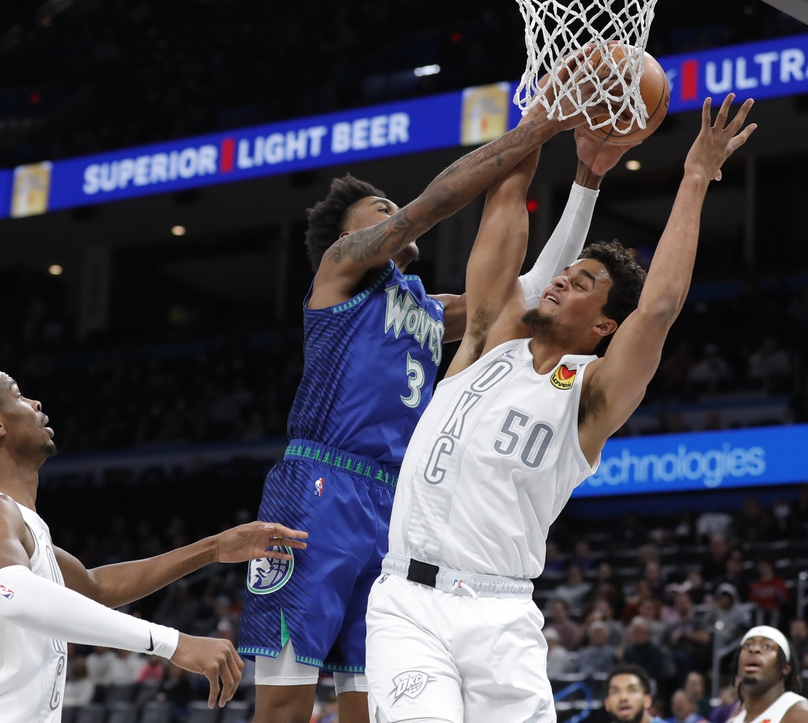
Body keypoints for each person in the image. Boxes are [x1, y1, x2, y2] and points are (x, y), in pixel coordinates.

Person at [237, 76, 629, 723]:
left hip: (396, 508)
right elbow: (434, 203)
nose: (393, 212)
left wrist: (585, 182)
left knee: (370, 704)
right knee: (285, 700)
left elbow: (529, 291)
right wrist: (536, 127)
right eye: (379, 208)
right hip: (319, 489)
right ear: (349, 234)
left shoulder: (429, 308)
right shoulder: (340, 271)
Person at [365, 95, 756, 722]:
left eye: (581, 284)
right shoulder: (485, 341)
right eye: (564, 274)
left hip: (500, 615)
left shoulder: (591, 392)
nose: (558, 280)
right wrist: (543, 123)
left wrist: (695, 176)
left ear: (604, 324)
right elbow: (503, 210)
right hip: (408, 604)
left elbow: (657, 308)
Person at [0, 367, 308, 722]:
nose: (35, 403)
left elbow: (96, 587)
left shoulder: (20, 526)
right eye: (18, 395)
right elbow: (14, 596)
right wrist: (171, 642)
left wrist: (214, 549)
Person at [726, 626, 808, 723]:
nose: (754, 649)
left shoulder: (806, 717)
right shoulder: (733, 721)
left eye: (767, 646)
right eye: (748, 645)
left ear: (785, 667)